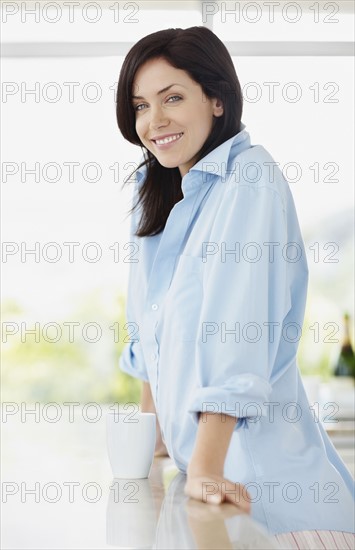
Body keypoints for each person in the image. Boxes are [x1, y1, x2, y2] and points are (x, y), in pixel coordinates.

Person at [116, 26, 354, 535]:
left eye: (172, 98)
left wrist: (204, 467)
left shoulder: (250, 178)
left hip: (275, 506)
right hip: (214, 488)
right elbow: (147, 328)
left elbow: (237, 334)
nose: (153, 122)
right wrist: (152, 439)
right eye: (140, 106)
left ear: (217, 99)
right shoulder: (154, 192)